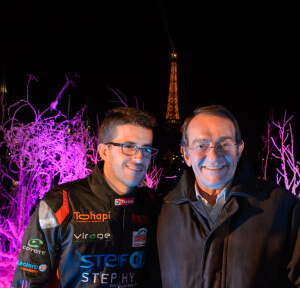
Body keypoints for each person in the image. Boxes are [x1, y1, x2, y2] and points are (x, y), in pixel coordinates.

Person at [11, 106, 159, 287]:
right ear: (104, 151)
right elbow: (28, 280)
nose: (139, 158)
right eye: (128, 147)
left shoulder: (153, 204)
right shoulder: (62, 201)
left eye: (147, 150)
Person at [157, 104, 300, 288]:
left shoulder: (283, 207)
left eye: (225, 144)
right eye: (201, 145)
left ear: (239, 149)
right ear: (185, 153)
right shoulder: (162, 210)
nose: (214, 156)